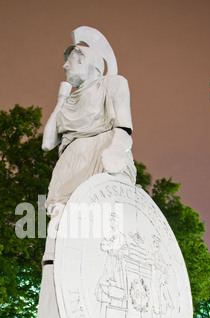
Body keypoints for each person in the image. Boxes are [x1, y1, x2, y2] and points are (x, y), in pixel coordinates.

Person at [41, 42, 136, 262]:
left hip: (101, 154)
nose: (65, 66)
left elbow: (123, 129)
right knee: (59, 227)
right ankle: (54, 274)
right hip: (69, 164)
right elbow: (47, 142)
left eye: (70, 61)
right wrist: (61, 100)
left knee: (103, 227)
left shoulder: (113, 84)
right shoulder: (68, 101)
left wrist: (114, 153)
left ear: (84, 60)